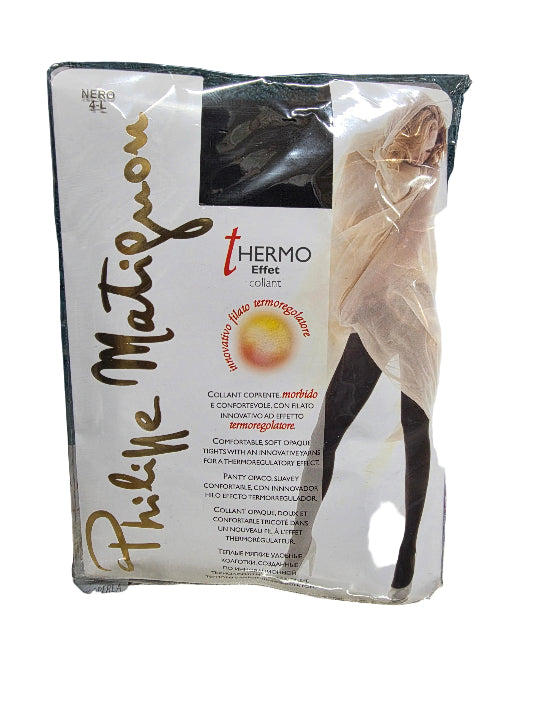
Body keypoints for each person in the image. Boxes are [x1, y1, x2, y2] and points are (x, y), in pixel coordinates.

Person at [282, 90, 452, 601]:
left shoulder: (427, 180)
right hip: (376, 307)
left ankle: (409, 549)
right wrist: (357, 298)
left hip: (411, 311)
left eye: (438, 140)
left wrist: (358, 297)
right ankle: (294, 543)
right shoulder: (361, 164)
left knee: (415, 427)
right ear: (406, 127)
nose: (431, 148)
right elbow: (344, 231)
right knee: (328, 428)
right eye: (426, 134)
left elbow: (408, 245)